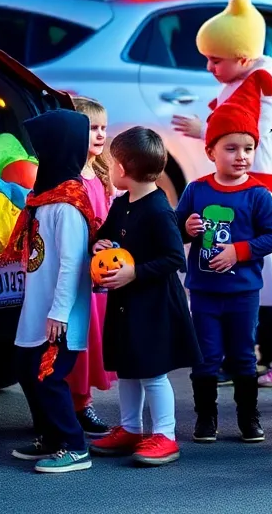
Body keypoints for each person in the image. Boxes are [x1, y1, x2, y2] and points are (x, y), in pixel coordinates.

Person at [171, 0, 272, 388]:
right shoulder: (247, 81)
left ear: (244, 58)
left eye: (217, 59)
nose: (210, 66)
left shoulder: (258, 86)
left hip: (257, 195)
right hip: (249, 195)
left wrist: (208, 130)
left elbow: (246, 131)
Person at [89, 127, 201, 466]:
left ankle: (164, 435)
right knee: (128, 369)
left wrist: (134, 271)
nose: (110, 169)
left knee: (152, 373)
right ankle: (131, 428)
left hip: (154, 307)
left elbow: (173, 258)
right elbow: (105, 235)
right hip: (128, 306)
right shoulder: (122, 204)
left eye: (112, 163)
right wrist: (100, 245)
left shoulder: (158, 209)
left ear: (123, 169)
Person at [177, 96, 272, 444]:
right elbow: (174, 231)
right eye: (231, 148)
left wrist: (238, 252)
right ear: (211, 151)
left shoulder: (257, 194)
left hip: (243, 293)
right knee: (206, 358)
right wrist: (186, 230)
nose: (241, 156)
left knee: (242, 356)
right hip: (205, 293)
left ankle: (247, 417)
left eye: (248, 148)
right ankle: (206, 418)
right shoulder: (196, 190)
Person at [1, 109, 101, 474]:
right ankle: (50, 436)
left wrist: (59, 312)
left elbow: (73, 263)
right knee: (25, 369)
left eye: (41, 149)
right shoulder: (43, 198)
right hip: (37, 307)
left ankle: (74, 446)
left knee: (49, 375)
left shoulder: (68, 204)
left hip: (58, 313)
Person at [68, 97, 117, 437]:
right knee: (77, 339)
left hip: (99, 275)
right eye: (92, 129)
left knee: (93, 337)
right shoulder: (69, 179)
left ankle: (82, 402)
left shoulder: (99, 175)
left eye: (103, 128)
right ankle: (73, 404)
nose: (101, 135)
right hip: (76, 275)